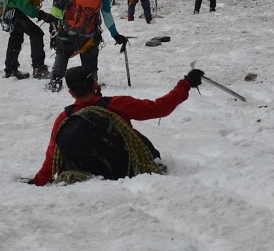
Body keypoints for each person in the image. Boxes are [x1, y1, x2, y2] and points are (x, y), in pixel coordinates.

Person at [31, 66, 204, 184]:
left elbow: (53, 155)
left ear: (70, 92)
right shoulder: (117, 105)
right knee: (135, 135)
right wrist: (186, 83)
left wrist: (38, 181)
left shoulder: (65, 118)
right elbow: (159, 108)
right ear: (94, 84)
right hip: (129, 168)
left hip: (92, 172)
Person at [41, 0, 127, 91]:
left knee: (63, 52)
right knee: (90, 59)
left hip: (69, 29)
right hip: (89, 33)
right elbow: (107, 15)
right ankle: (91, 82)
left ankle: (55, 81)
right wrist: (115, 35)